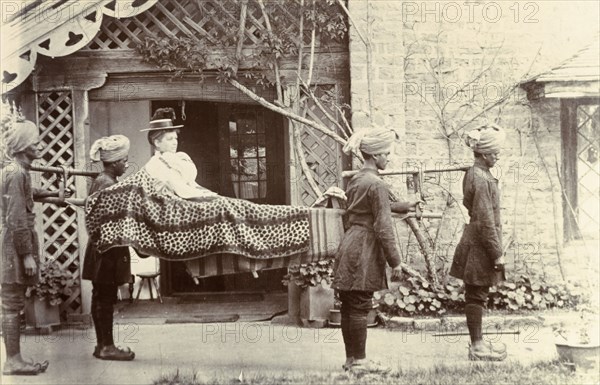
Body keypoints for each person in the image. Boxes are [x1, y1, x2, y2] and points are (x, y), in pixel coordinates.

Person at [334, 127, 420, 374]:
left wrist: (403, 205)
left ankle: (352, 360)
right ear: (374, 156)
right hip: (365, 248)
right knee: (361, 305)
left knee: (350, 306)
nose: (389, 158)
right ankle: (361, 363)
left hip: (350, 244)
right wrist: (396, 261)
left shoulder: (357, 180)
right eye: (386, 154)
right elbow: (383, 225)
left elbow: (367, 208)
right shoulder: (377, 184)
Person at [1, 119, 63, 375]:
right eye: (34, 142)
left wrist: (52, 195)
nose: (39, 145)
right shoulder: (16, 174)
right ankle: (12, 361)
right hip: (13, 248)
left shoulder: (17, 171)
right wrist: (26, 255)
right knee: (11, 302)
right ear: (23, 146)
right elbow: (16, 219)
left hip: (11, 245)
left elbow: (30, 192)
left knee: (12, 301)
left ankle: (14, 358)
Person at [449, 124, 507, 361]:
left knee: (477, 292)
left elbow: (471, 206)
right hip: (480, 245)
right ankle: (477, 346)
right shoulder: (480, 178)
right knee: (476, 294)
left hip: (476, 240)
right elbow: (484, 220)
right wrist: (497, 253)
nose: (498, 156)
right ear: (483, 154)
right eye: (494, 153)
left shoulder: (477, 174)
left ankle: (479, 342)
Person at [82, 135, 135, 361]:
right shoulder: (108, 184)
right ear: (114, 162)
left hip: (101, 248)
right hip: (108, 250)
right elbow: (111, 220)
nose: (126, 164)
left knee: (100, 296)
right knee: (105, 297)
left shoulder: (103, 180)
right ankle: (107, 346)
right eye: (124, 160)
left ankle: (101, 344)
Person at [141, 107, 218, 201]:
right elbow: (179, 188)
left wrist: (206, 192)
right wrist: (205, 197)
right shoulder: (156, 163)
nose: (175, 142)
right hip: (170, 205)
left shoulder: (178, 158)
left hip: (185, 197)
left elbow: (191, 183)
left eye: (175, 138)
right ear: (157, 143)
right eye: (170, 139)